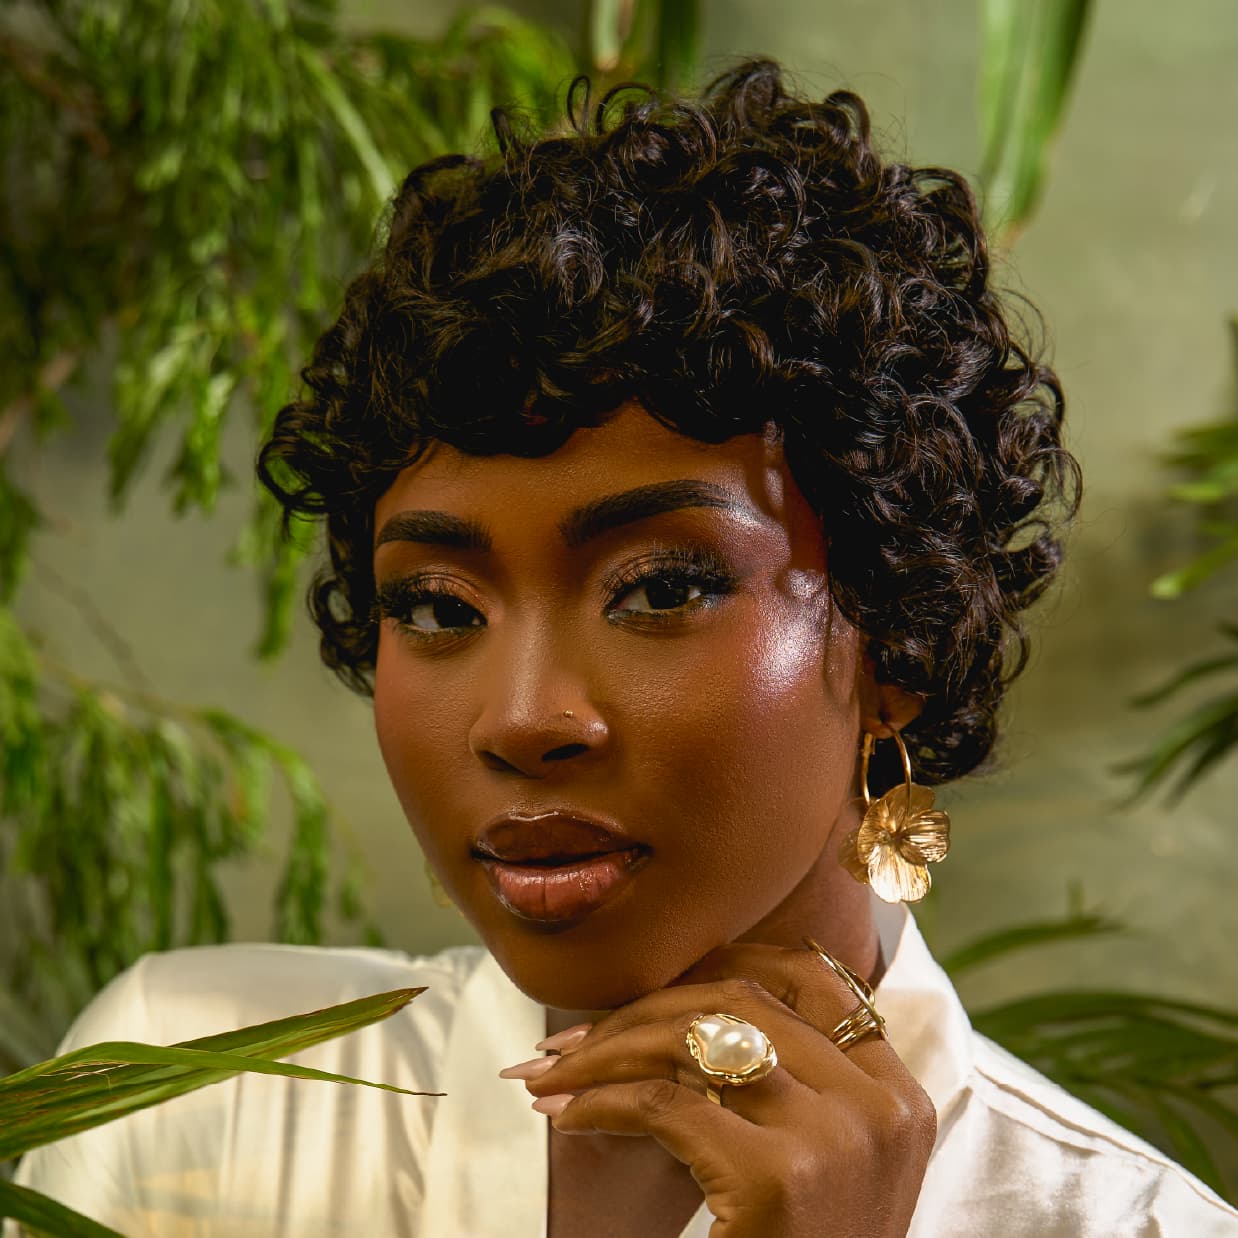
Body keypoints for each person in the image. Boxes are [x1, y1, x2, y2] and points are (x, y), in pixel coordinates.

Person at [9, 59, 1238, 1237]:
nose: (521, 716)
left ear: (898, 633)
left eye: (659, 587)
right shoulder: (194, 1092)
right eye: (437, 606)